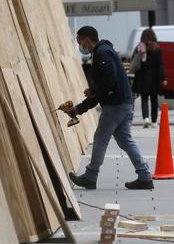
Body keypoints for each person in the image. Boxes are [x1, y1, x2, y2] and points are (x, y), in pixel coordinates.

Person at [66, 26, 153, 190]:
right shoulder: (104, 51)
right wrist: (79, 109)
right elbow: (102, 90)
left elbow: (109, 80)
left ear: (86, 39)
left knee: (100, 139)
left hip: (116, 103)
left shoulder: (102, 53)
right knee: (125, 140)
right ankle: (145, 176)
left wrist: (92, 89)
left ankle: (90, 177)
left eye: (79, 42)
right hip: (123, 101)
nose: (80, 46)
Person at [132, 28, 167, 128]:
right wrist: (163, 78)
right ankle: (154, 120)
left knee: (144, 98)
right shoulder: (157, 48)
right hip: (154, 77)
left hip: (141, 76)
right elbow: (160, 65)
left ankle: (145, 119)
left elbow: (134, 61)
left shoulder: (139, 47)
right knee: (154, 99)